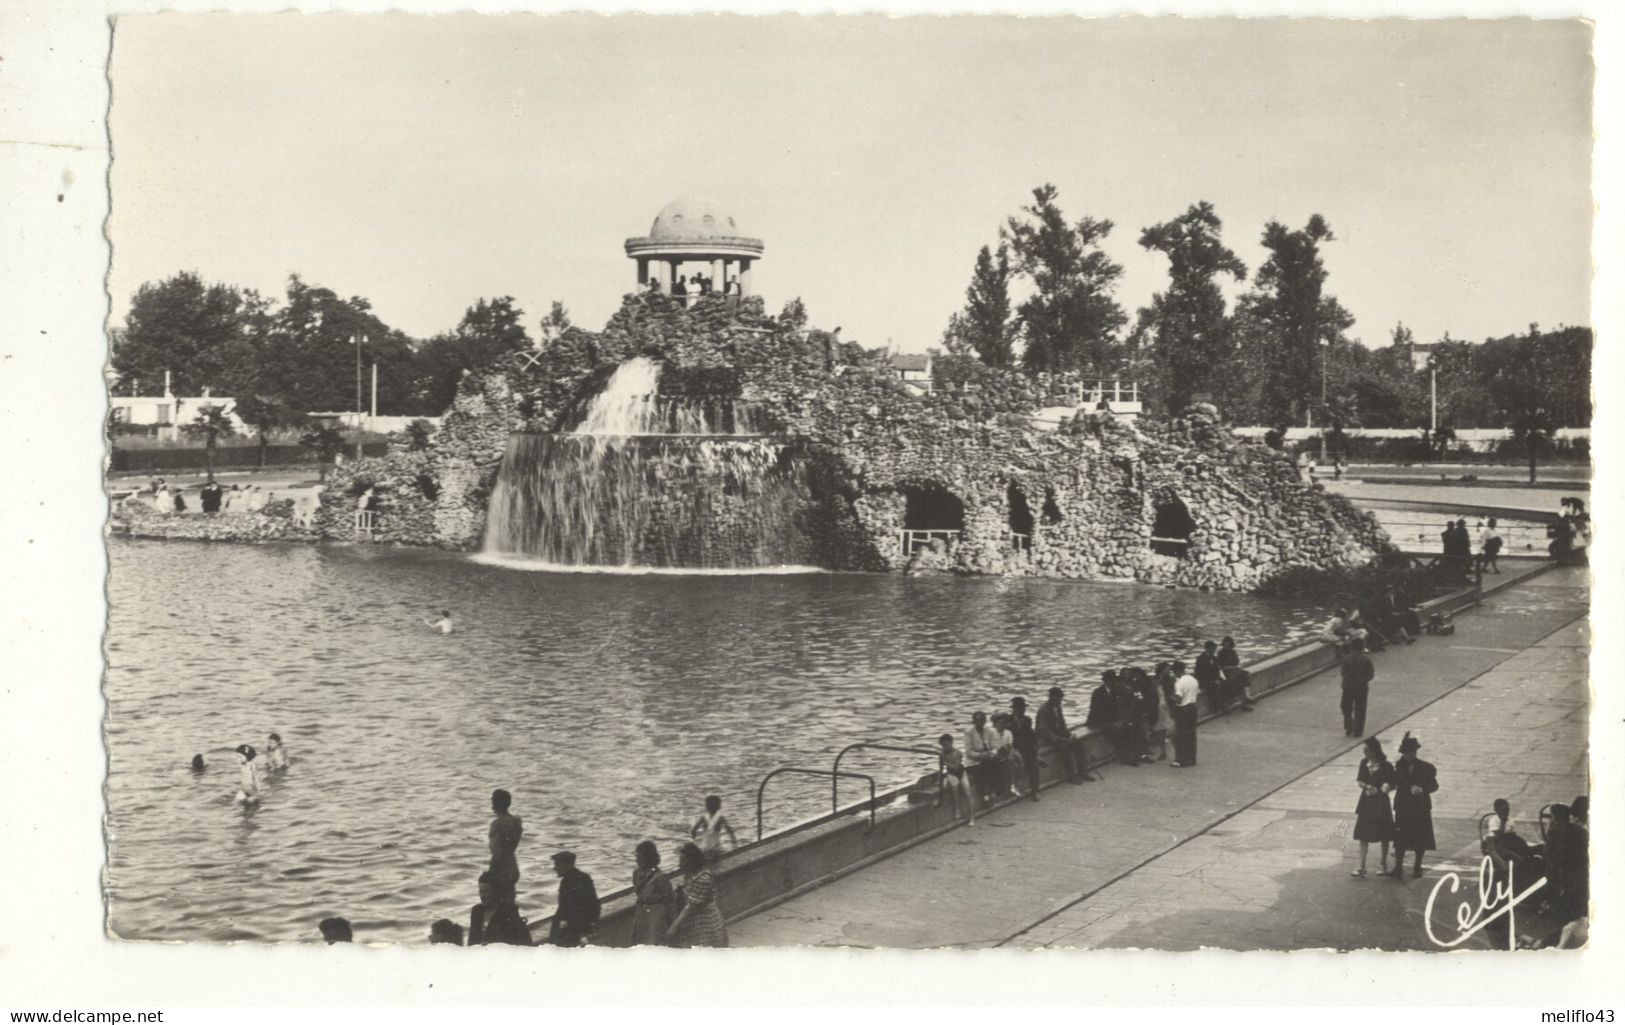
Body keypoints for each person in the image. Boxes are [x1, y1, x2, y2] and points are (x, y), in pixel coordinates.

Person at [1388, 732, 1438, 879]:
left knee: (1420, 838)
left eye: (1409, 753)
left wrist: (1422, 789)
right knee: (1400, 838)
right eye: (1404, 753)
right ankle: (1398, 867)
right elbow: (1395, 781)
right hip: (1403, 806)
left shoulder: (1426, 767)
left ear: (1415, 753)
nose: (1407, 756)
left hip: (1419, 807)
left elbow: (1434, 786)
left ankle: (1417, 866)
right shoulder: (1399, 765)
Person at [1349, 736, 1395, 877]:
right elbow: (1360, 781)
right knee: (1363, 834)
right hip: (1366, 802)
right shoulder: (1364, 763)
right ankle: (1361, 866)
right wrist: (1367, 786)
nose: (1364, 752)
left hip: (1381, 802)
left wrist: (1386, 787)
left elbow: (1392, 783)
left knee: (1384, 834)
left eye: (1366, 750)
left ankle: (1383, 864)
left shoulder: (1386, 766)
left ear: (1374, 751)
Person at [667, 842, 728, 947]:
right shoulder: (690, 874)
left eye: (683, 862)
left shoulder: (704, 878)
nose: (680, 865)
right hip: (692, 920)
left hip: (705, 922)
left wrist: (673, 929)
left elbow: (690, 906)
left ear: (692, 862)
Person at [547, 851, 601, 947]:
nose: (554, 868)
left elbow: (567, 909)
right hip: (577, 929)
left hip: (571, 931)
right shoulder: (583, 878)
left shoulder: (569, 881)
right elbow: (595, 905)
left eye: (557, 865)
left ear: (567, 865)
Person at [629, 840, 675, 945]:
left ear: (647, 857)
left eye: (639, 856)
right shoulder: (637, 873)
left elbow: (670, 899)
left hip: (656, 913)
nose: (637, 859)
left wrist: (671, 923)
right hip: (641, 911)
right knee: (639, 942)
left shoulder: (660, 877)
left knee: (654, 942)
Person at [1038, 687, 1088, 783]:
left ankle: (1083, 772)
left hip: (1057, 735)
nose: (1060, 701)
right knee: (1064, 748)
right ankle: (1071, 776)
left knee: (1078, 743)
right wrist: (1059, 739)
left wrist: (1069, 735)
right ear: (1052, 697)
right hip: (1046, 738)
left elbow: (1062, 725)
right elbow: (1045, 731)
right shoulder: (1044, 709)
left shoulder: (1058, 707)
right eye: (1058, 698)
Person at [471, 871, 533, 946]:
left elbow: (519, 941)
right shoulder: (477, 911)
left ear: (496, 892)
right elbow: (472, 941)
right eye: (481, 891)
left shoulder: (508, 912)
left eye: (487, 892)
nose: (482, 896)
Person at [487, 788, 523, 907]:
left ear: (495, 804)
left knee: (497, 903)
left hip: (501, 868)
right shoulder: (516, 821)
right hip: (512, 865)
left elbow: (497, 853)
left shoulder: (497, 824)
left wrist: (491, 873)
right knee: (509, 900)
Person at [963, 710, 1000, 808]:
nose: (980, 722)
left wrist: (992, 754)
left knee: (997, 764)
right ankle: (986, 796)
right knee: (982, 769)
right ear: (974, 722)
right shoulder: (969, 733)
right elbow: (969, 752)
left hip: (987, 760)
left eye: (982, 720)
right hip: (974, 762)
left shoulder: (989, 732)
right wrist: (980, 755)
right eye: (978, 720)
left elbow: (995, 747)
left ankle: (994, 791)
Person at [1339, 638, 1375, 737]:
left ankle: (1349, 726)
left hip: (1348, 687)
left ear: (1352, 647)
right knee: (1361, 709)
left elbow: (1344, 673)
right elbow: (1370, 674)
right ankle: (1358, 730)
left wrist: (1351, 682)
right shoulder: (1366, 660)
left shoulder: (1346, 659)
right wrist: (1361, 681)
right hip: (1362, 687)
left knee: (1346, 707)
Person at [937, 732, 975, 824]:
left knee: (968, 792)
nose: (944, 748)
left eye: (945, 745)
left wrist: (946, 763)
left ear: (951, 743)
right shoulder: (942, 754)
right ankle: (957, 809)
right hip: (951, 774)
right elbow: (941, 769)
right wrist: (939, 780)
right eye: (942, 746)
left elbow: (957, 767)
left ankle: (972, 817)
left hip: (961, 772)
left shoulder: (958, 753)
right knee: (955, 787)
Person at [1009, 697, 1042, 801]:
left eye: (1023, 708)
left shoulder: (1027, 720)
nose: (1021, 711)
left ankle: (1035, 791)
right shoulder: (1008, 721)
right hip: (1013, 749)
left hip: (1025, 749)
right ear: (1014, 709)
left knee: (1033, 764)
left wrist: (1035, 750)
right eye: (1019, 708)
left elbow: (1032, 737)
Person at [1170, 661, 1200, 768]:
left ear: (1177, 670)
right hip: (1192, 708)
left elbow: (1178, 698)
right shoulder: (1193, 680)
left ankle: (1181, 760)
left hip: (1183, 709)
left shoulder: (1179, 683)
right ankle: (1192, 758)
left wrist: (1172, 698)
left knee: (1181, 735)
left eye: (1174, 671)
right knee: (1191, 735)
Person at [1141, 663, 1172, 762]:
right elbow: (1150, 694)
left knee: (1171, 730)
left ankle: (1174, 751)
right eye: (1167, 670)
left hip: (1167, 707)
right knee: (1160, 730)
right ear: (1162, 671)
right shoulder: (1154, 681)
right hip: (1158, 708)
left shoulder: (1170, 680)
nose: (1169, 672)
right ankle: (1163, 752)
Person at [989, 712, 1024, 796]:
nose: (1001, 725)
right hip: (994, 754)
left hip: (1005, 753)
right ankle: (1011, 786)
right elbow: (990, 747)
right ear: (995, 723)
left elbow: (1010, 747)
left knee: (1013, 759)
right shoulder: (990, 732)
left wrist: (1008, 754)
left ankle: (1013, 785)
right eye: (999, 723)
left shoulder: (1008, 733)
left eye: (1003, 723)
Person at [1216, 637, 1255, 711]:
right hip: (1226, 674)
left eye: (1229, 646)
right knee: (1242, 680)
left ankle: (1246, 700)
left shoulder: (1232, 652)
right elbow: (1222, 667)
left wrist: (1234, 668)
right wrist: (1233, 667)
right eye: (1226, 645)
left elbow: (1236, 662)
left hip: (1233, 672)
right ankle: (1246, 698)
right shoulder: (1221, 653)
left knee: (1242, 679)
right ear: (1223, 645)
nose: (1227, 647)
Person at [1194, 641, 1224, 711]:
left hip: (1212, 679)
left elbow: (1217, 671)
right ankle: (1215, 706)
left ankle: (1222, 703)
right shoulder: (1201, 659)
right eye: (1212, 648)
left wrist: (1218, 678)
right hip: (1204, 680)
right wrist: (1212, 680)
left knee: (1223, 682)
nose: (1214, 650)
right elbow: (1199, 674)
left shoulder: (1214, 658)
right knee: (1213, 686)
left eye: (1214, 648)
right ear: (1207, 649)